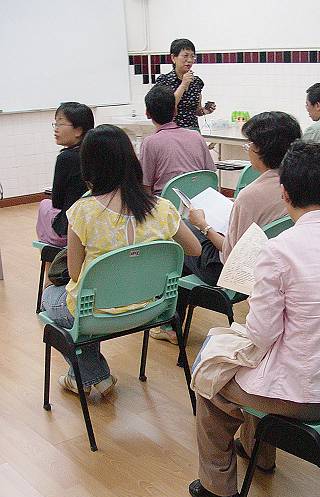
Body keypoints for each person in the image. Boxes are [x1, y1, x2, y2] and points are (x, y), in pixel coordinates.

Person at [188, 141, 320, 497]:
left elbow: (262, 334)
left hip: (309, 398)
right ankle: (258, 453)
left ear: (284, 193)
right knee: (255, 363)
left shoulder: (278, 250)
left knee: (211, 378)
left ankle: (218, 485)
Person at [41, 125, 201, 397]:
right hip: (152, 308)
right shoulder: (161, 207)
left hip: (96, 314)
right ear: (131, 160)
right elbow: (195, 249)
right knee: (84, 300)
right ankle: (91, 376)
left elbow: (76, 273)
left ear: (89, 167)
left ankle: (91, 376)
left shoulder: (83, 212)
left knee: (51, 298)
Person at [151, 110, 302, 343]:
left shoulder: (251, 195)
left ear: (261, 150)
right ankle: (172, 323)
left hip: (236, 273)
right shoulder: (298, 183)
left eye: (249, 144)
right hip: (280, 266)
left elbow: (231, 255)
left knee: (182, 237)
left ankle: (169, 323)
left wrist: (204, 226)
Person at [36, 102, 94, 247]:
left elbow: (57, 202)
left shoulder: (66, 158)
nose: (56, 129)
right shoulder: (98, 152)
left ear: (78, 130)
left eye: (61, 124)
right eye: (55, 124)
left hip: (72, 229)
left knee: (45, 205)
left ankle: (51, 255)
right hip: (96, 223)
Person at [140, 85, 215, 194]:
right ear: (175, 111)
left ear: (147, 114)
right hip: (198, 199)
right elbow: (210, 175)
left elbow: (145, 185)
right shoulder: (196, 136)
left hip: (166, 201)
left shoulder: (150, 143)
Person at [155, 38, 215, 130]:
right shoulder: (163, 81)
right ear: (173, 58)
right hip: (172, 131)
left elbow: (196, 111)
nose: (190, 60)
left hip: (193, 131)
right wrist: (183, 85)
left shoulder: (197, 82)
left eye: (192, 56)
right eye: (185, 56)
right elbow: (166, 108)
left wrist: (205, 110)